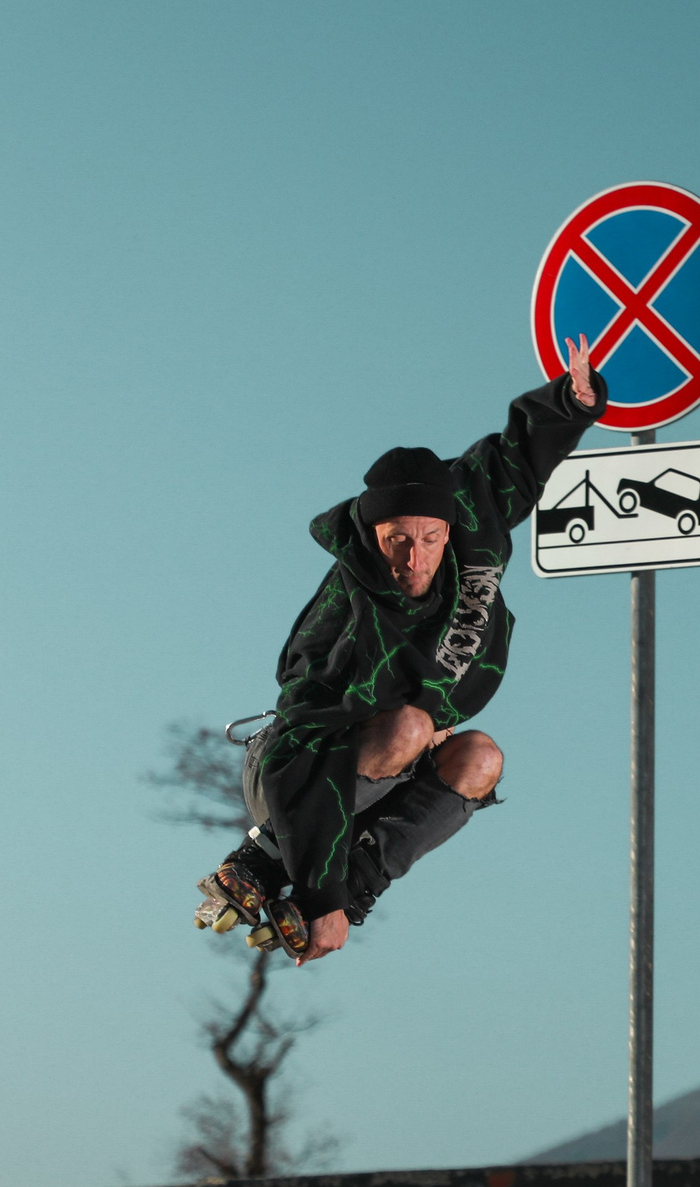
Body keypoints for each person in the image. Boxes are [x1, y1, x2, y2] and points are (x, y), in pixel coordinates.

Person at [194, 338, 607, 961]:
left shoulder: (473, 511)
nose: (414, 559)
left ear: (451, 527)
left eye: (430, 539)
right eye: (396, 542)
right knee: (413, 726)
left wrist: (572, 401)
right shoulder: (340, 612)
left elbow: (514, 457)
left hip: (388, 771)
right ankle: (264, 855)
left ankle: (361, 884)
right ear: (372, 533)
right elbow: (303, 746)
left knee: (482, 758)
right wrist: (318, 895)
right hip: (299, 770)